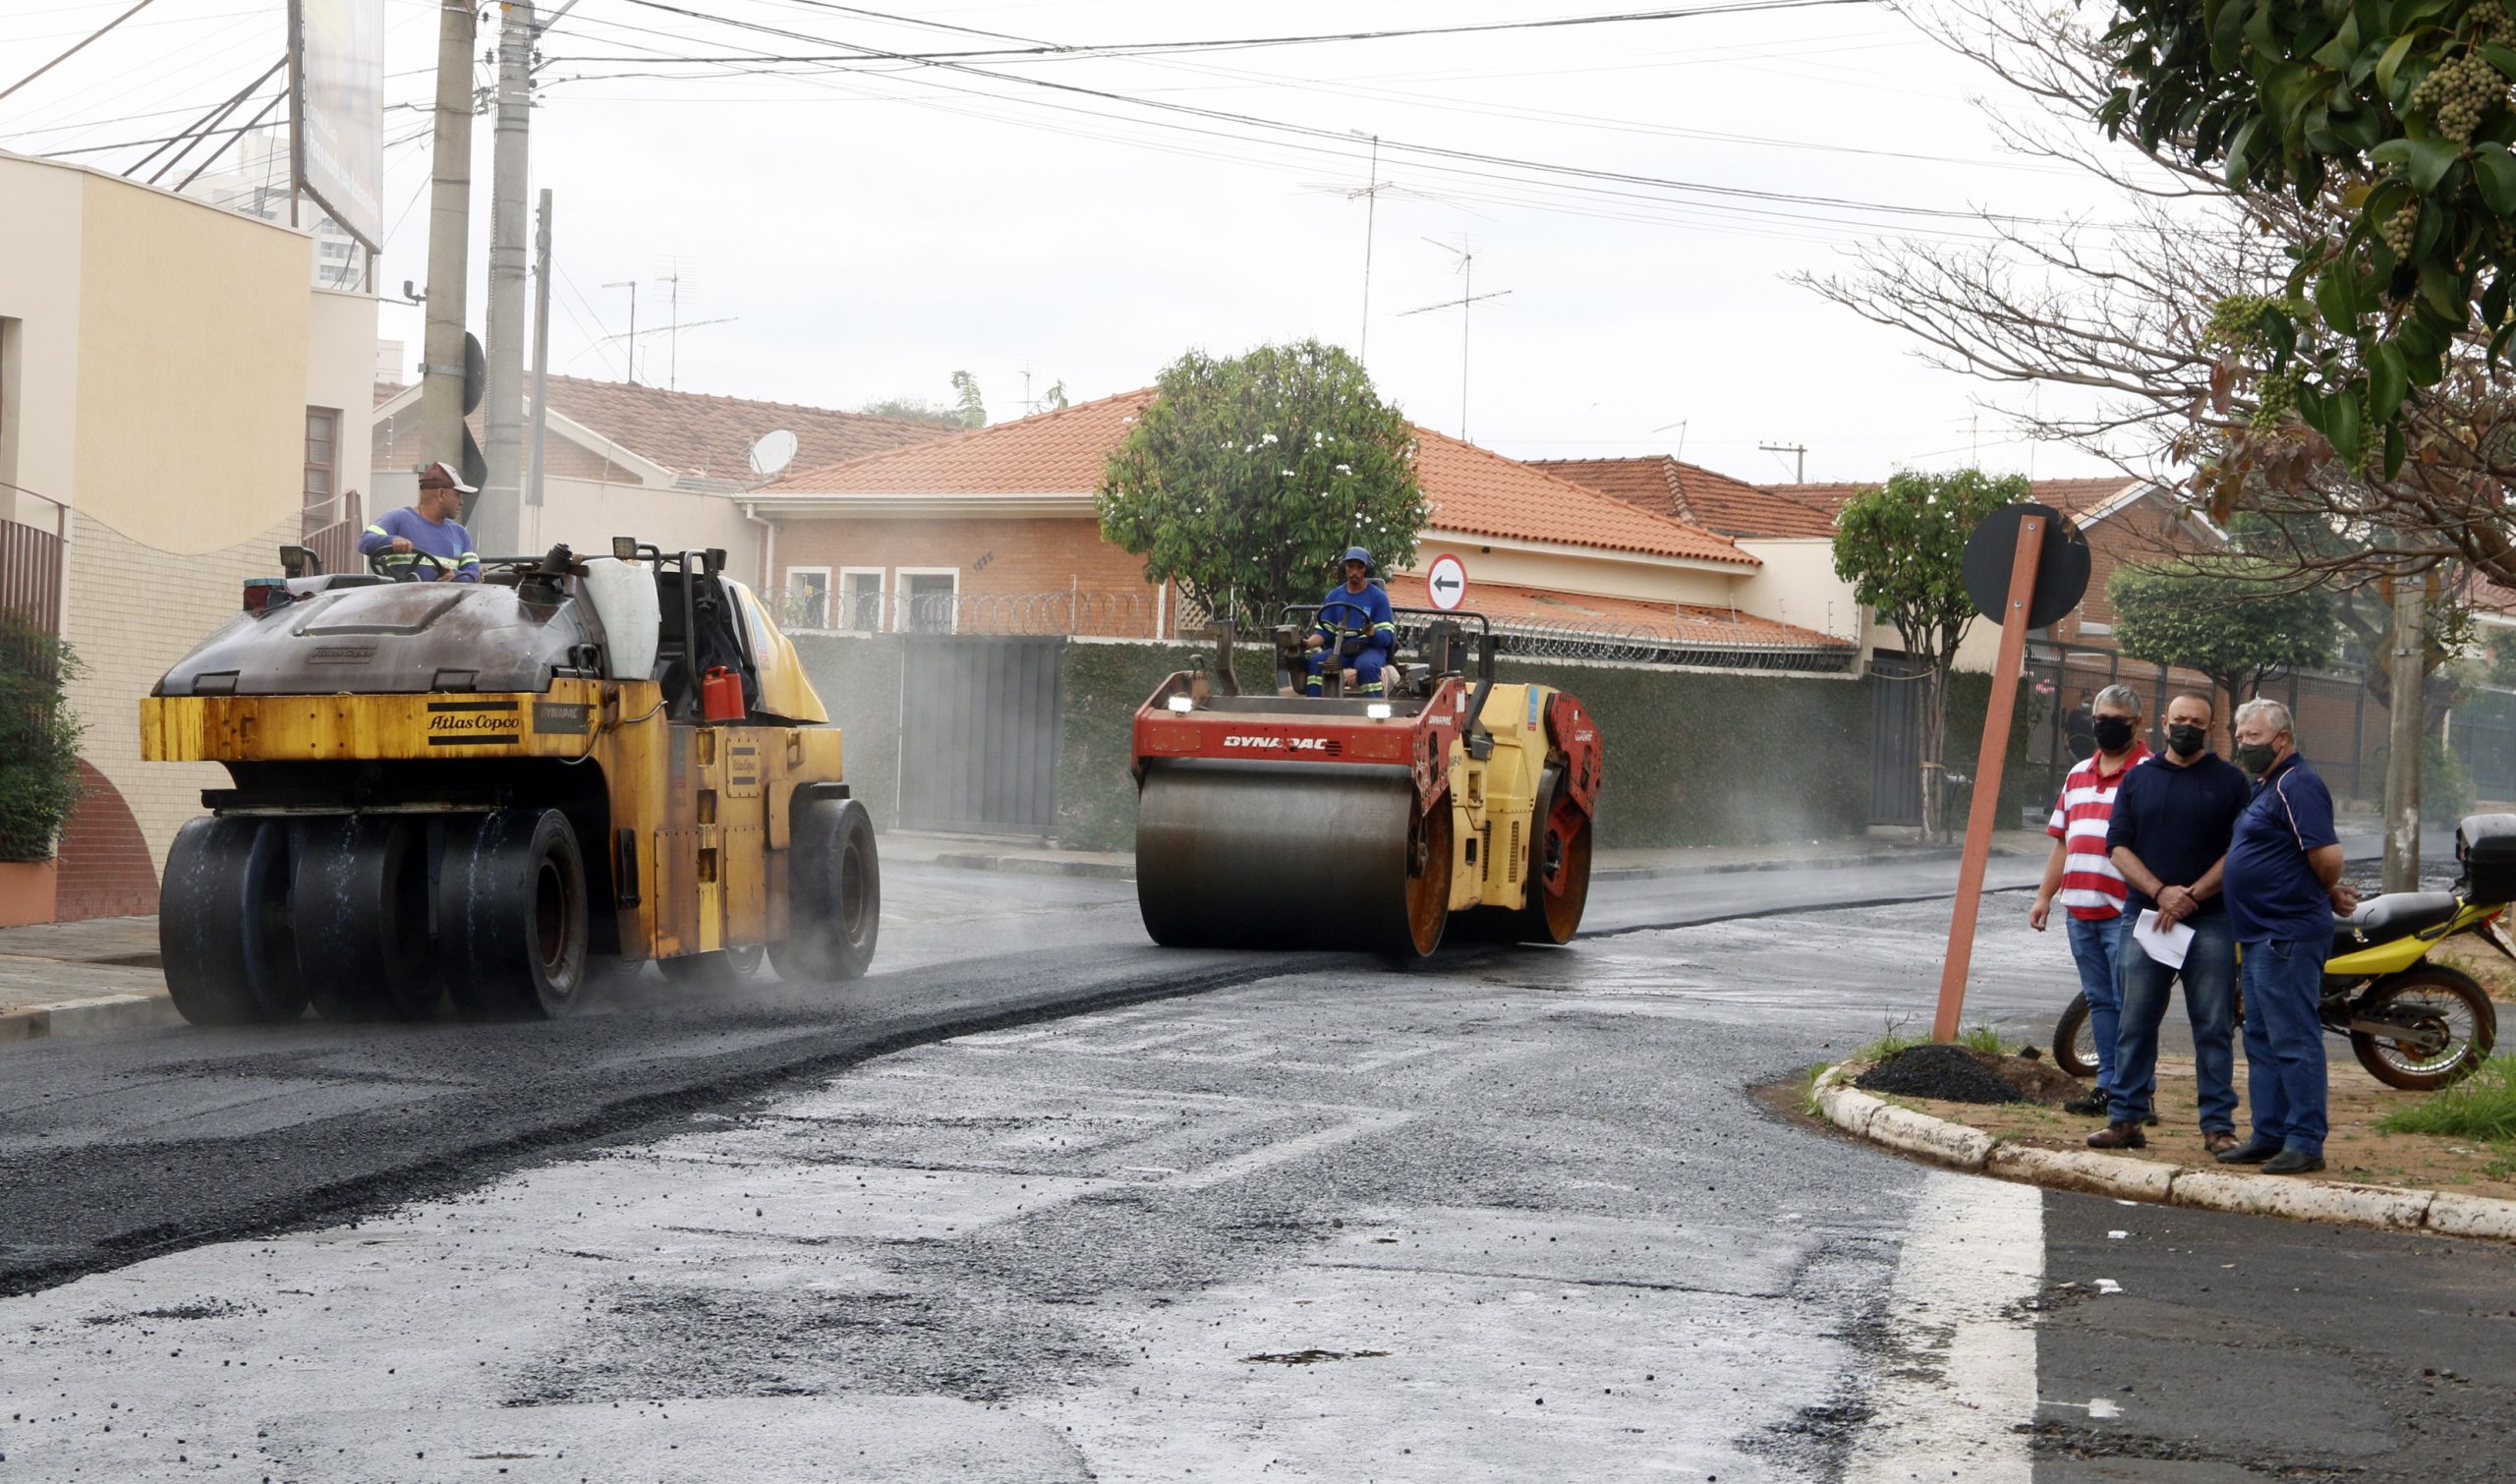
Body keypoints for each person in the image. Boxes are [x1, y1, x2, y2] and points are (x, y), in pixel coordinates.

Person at [2087, 693, 2253, 1153]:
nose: (2186, 727)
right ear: (2163, 723)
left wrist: (2191, 895)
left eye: (2196, 722)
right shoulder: (2138, 780)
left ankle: (2218, 1127)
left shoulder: (2231, 782)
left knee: (2214, 1025)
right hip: (2145, 917)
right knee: (2134, 1022)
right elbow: (2117, 845)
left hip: (2212, 921)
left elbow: (2239, 852)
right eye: (2179, 719)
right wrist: (2161, 893)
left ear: (2210, 727)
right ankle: (2125, 1120)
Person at [2216, 698, 2356, 1174]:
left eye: (2252, 737)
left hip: (2287, 935)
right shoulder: (2266, 785)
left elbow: (2327, 857)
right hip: (2258, 935)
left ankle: (2305, 1140)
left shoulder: (2299, 784)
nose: (2242, 743)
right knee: (2261, 1037)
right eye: (2240, 735)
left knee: (2293, 1037)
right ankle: (2269, 1133)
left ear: (2282, 739)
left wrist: (2318, 891)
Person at [2030, 683, 2150, 1118]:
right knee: (2101, 1002)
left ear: (2137, 724)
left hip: (2127, 913)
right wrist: (2045, 895)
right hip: (2079, 911)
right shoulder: (2077, 773)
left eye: (2117, 722)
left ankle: (2138, 1092)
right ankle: (2108, 1087)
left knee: (2133, 1005)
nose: (2106, 728)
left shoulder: (2151, 773)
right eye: (2101, 720)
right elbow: (2063, 843)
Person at [358, 461, 481, 583]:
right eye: (458, 495)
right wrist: (392, 541)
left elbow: (474, 572)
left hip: (447, 601)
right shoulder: (398, 518)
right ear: (441, 494)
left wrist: (455, 576)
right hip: (401, 600)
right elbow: (365, 541)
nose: (461, 502)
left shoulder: (460, 533)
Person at [1303, 546, 1397, 698]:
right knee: (1316, 661)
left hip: (1369, 650)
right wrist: (1306, 644)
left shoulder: (1378, 598)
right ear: (1344, 568)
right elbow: (1323, 632)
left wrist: (1373, 633)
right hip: (1341, 650)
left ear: (1367, 570)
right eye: (1350, 566)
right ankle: (1315, 710)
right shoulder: (1334, 596)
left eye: (1360, 567)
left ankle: (1375, 711)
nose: (1355, 572)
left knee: (1367, 666)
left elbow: (1387, 637)